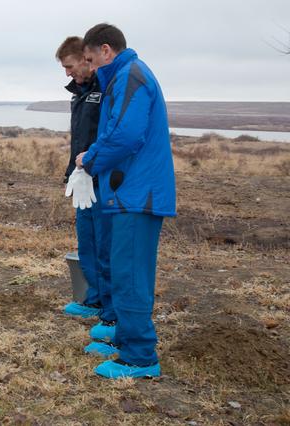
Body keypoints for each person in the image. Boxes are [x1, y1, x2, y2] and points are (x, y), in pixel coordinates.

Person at [76, 24, 176, 378]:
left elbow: (125, 135)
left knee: (131, 275)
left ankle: (140, 357)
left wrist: (90, 159)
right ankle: (124, 336)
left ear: (106, 50)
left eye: (90, 59)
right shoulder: (123, 76)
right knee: (123, 270)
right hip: (128, 191)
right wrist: (96, 153)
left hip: (139, 194)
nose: (89, 67)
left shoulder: (130, 75)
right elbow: (117, 132)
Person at [56, 37, 118, 357]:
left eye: (69, 66)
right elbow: (80, 138)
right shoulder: (79, 94)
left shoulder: (105, 88)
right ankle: (94, 298)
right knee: (87, 242)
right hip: (82, 179)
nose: (67, 73)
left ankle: (111, 312)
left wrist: (93, 167)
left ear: (85, 58)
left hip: (101, 178)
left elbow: (106, 137)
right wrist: (73, 172)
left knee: (105, 244)